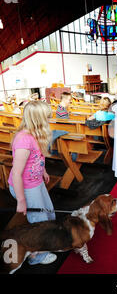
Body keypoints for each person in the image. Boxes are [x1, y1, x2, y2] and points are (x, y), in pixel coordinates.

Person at [8, 100, 57, 265]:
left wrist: (43, 171)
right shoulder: (23, 139)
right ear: (38, 119)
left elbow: (37, 157)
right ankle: (37, 256)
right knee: (39, 220)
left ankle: (46, 240)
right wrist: (21, 200)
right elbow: (16, 173)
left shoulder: (35, 133)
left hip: (35, 182)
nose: (49, 120)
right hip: (25, 187)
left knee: (48, 212)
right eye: (47, 118)